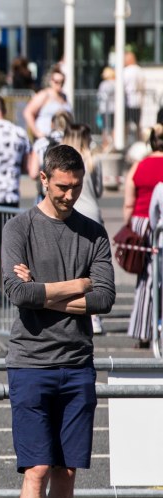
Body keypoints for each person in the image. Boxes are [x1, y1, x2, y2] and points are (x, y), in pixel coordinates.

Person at [1, 144, 115, 498]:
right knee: (38, 470)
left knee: (67, 474)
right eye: (61, 186)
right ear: (44, 178)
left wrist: (47, 294)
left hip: (78, 363)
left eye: (76, 186)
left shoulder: (94, 233)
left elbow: (105, 299)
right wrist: (78, 284)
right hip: (31, 362)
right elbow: (16, 292)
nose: (69, 195)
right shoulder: (20, 227)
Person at [62, 124, 106, 334]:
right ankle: (94, 316)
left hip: (72, 213)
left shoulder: (62, 162)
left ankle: (73, 309)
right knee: (93, 266)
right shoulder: (93, 160)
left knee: (72, 265)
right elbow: (99, 190)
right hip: (92, 213)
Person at [122, 124, 163, 348]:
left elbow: (129, 201)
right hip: (160, 223)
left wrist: (129, 224)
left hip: (141, 222)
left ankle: (142, 331)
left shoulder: (140, 165)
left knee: (145, 280)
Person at [23, 68, 72, 141]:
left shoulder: (64, 97)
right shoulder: (44, 95)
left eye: (62, 82)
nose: (59, 84)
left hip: (62, 139)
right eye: (56, 82)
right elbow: (27, 112)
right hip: (46, 138)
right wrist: (37, 133)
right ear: (51, 81)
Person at [123, 51, 145, 132]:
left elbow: (122, 85)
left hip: (128, 102)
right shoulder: (140, 70)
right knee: (137, 124)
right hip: (138, 101)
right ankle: (139, 140)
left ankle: (123, 142)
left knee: (124, 124)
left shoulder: (126, 71)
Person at [97, 67, 115, 147]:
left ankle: (105, 144)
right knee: (113, 128)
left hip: (105, 109)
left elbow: (100, 96)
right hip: (113, 108)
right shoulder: (116, 83)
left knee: (105, 128)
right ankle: (113, 144)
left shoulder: (104, 84)